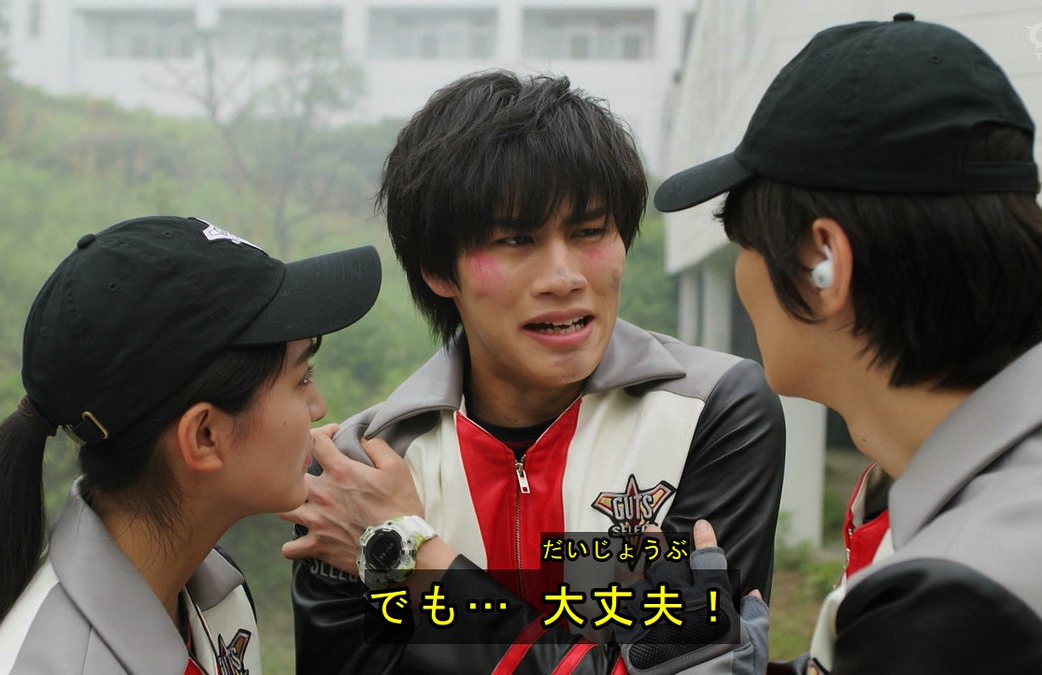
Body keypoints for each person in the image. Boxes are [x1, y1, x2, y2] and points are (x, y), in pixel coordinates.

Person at [283, 71, 784, 674]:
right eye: (517, 239)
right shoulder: (357, 472)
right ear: (438, 270)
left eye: (590, 231)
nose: (565, 277)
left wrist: (411, 557)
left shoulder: (713, 413)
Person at [655, 13, 1042, 674]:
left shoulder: (960, 604)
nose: (744, 269)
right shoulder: (1024, 480)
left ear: (825, 262)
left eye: (744, 240)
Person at [0, 216, 381, 675]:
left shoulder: (212, 595)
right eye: (302, 378)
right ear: (204, 436)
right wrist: (404, 561)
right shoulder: (56, 663)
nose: (318, 407)